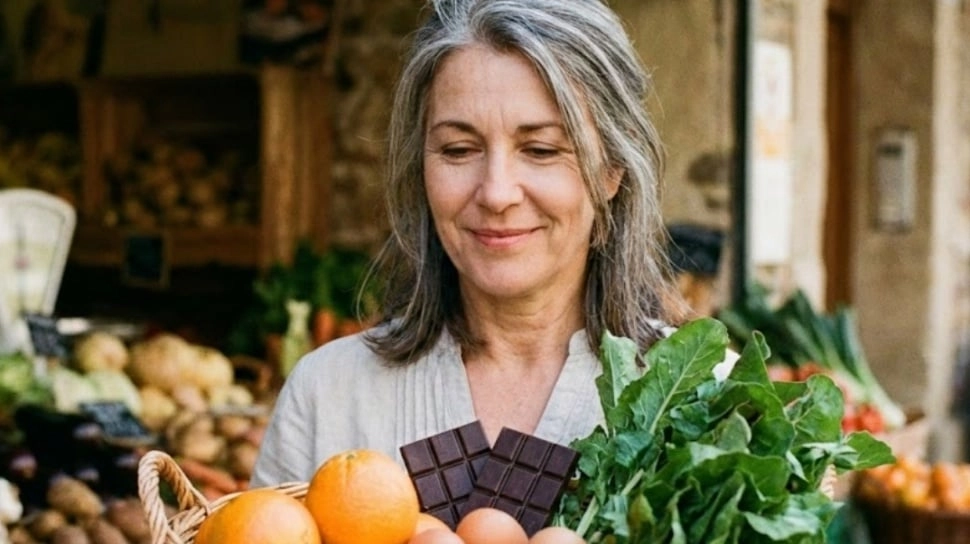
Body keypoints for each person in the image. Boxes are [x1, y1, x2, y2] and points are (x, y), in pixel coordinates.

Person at [250, 0, 688, 487]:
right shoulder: (331, 394)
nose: (497, 193)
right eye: (458, 150)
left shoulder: (698, 398)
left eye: (540, 150)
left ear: (612, 169)